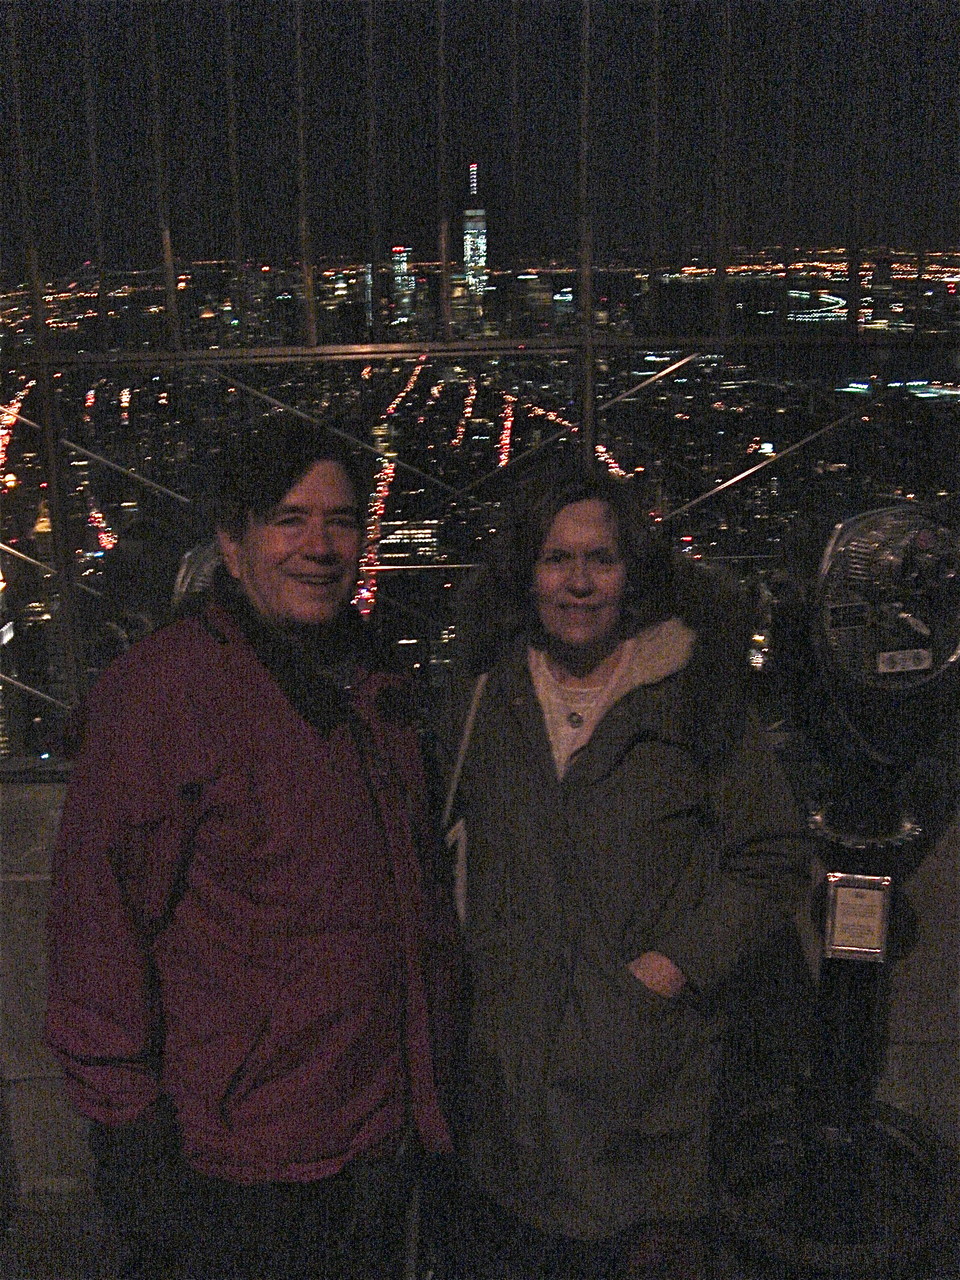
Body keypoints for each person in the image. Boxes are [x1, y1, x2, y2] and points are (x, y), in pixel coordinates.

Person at [46, 425, 457, 1280]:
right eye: (288, 519)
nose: (320, 547)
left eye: (341, 522)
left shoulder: (372, 687)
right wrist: (131, 1137)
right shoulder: (165, 695)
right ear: (232, 546)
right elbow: (97, 920)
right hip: (237, 1163)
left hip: (373, 1138)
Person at [442, 464, 810, 1280]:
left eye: (599, 559)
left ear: (631, 572)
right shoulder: (484, 696)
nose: (578, 582)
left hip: (644, 1111)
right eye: (555, 559)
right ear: (524, 575)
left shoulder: (692, 693)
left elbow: (775, 855)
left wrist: (667, 971)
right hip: (506, 1111)